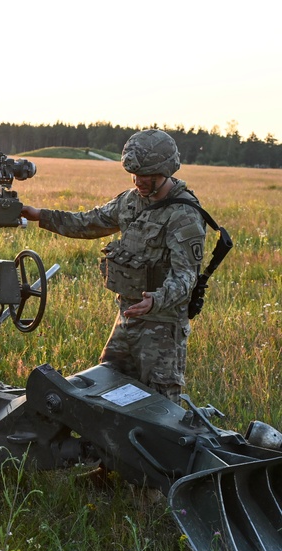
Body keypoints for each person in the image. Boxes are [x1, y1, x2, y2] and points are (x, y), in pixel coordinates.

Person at [21, 129, 206, 403]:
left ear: (166, 171)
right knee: (106, 388)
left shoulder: (184, 214)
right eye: (135, 174)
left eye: (147, 176)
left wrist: (155, 301)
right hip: (127, 319)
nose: (139, 181)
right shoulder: (130, 201)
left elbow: (186, 277)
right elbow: (89, 222)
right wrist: (39, 215)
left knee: (160, 405)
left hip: (162, 327)